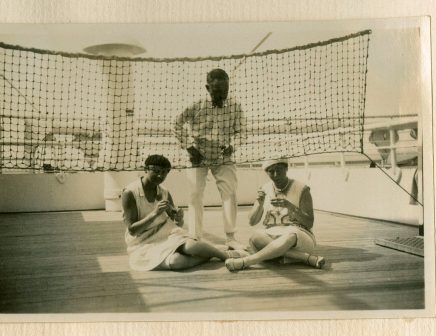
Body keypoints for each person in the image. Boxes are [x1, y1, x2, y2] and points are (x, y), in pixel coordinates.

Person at [122, 154, 248, 271]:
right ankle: (211, 253)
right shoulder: (130, 193)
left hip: (166, 235)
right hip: (142, 243)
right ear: (146, 169)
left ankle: (225, 256)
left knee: (191, 247)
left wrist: (178, 218)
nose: (160, 176)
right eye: (156, 171)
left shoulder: (164, 192)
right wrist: (154, 214)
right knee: (175, 262)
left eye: (164, 173)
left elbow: (176, 224)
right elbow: (133, 230)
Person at [173, 68, 246, 250]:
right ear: (207, 88)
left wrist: (233, 146)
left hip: (223, 154)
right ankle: (195, 237)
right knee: (195, 195)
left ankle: (231, 238)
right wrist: (189, 147)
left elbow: (242, 132)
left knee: (230, 193)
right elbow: (176, 123)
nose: (222, 95)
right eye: (217, 91)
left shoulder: (236, 106)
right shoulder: (196, 104)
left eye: (225, 90)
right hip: (197, 154)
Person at [225, 158, 325, 272]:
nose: (276, 175)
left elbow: (309, 222)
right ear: (266, 172)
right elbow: (252, 222)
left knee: (291, 235)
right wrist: (259, 204)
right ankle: (303, 258)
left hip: (299, 237)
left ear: (286, 168)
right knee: (255, 237)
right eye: (271, 171)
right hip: (272, 236)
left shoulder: (302, 189)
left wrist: (290, 207)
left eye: (279, 170)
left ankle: (247, 261)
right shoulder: (265, 189)